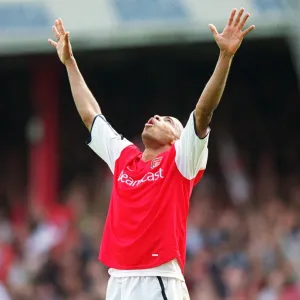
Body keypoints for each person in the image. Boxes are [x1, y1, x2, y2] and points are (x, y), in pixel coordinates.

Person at [48, 8, 255, 300]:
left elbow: (204, 111)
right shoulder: (125, 158)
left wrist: (225, 57)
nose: (156, 117)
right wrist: (69, 62)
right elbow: (90, 114)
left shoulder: (180, 161)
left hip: (157, 279)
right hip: (117, 281)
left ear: (178, 140)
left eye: (168, 120)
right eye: (158, 116)